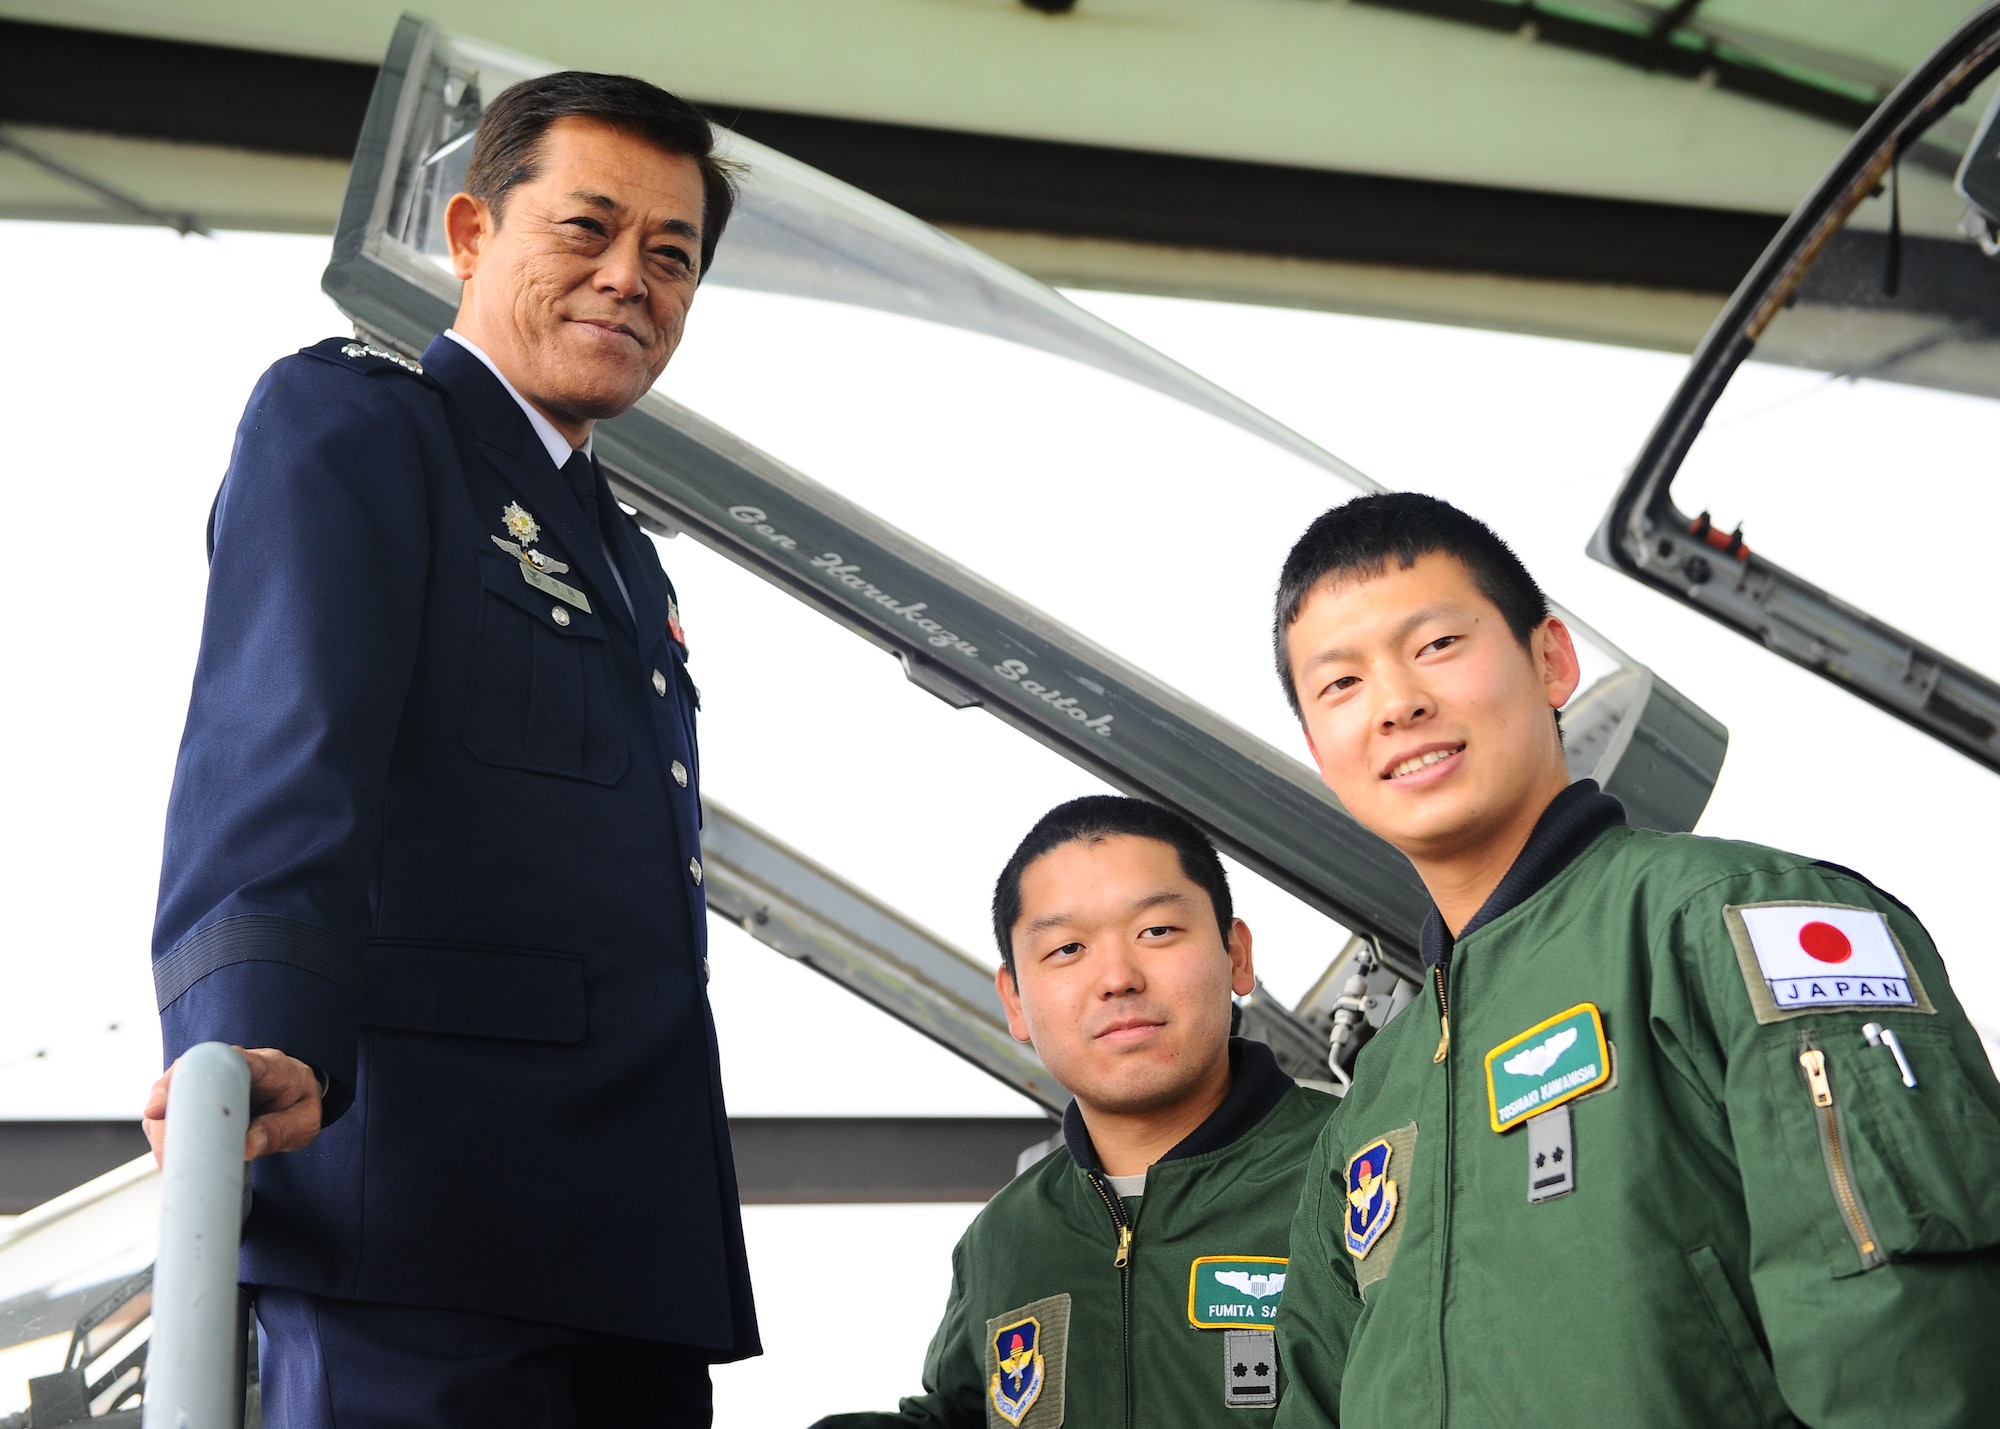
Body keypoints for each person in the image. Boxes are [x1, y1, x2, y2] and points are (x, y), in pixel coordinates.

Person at [143, 71, 756, 1426]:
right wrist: (254, 1035)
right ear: (472, 234)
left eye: (672, 255)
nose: (629, 280)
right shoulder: (362, 429)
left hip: (626, 1244)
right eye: (585, 231)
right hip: (425, 1215)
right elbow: (280, 740)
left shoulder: (619, 546)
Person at [1268, 492, 2000, 1427]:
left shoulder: (1740, 926)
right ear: (1320, 752)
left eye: (1437, 646)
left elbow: (1912, 1347)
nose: (1398, 702)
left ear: (1551, 660)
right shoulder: (1374, 1097)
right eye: (1340, 684)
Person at [815, 796, 1337, 1428]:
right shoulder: (1005, 1237)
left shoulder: (1356, 1166)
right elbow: (963, 1415)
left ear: (1238, 956)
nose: (1117, 978)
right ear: (1014, 1000)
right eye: (1066, 949)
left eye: (1157, 931)